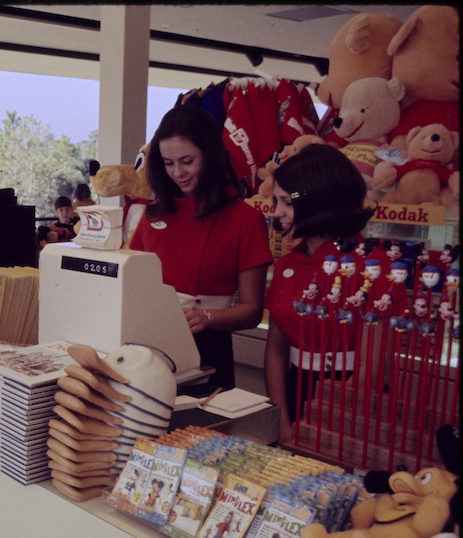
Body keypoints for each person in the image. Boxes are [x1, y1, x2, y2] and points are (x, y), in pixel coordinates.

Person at [130, 104, 273, 393]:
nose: (178, 173)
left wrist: (208, 317)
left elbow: (252, 311)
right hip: (148, 344)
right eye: (168, 163)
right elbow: (133, 282)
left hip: (208, 349)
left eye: (187, 161)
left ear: (210, 156)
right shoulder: (153, 213)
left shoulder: (246, 220)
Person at [264, 144, 383, 444]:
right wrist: (281, 418)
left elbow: (373, 367)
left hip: (351, 399)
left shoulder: (373, 265)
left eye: (285, 202)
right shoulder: (288, 264)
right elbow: (276, 352)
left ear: (318, 201)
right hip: (294, 391)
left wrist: (330, 422)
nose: (276, 212)